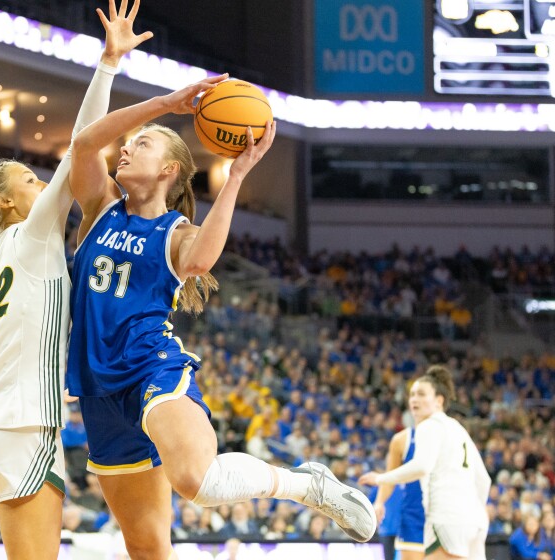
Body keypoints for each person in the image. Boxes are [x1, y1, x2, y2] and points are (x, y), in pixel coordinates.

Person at [66, 69, 375, 560]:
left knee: (195, 479)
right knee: (146, 547)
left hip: (150, 365)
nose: (125, 149)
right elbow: (84, 145)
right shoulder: (100, 205)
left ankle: (303, 484)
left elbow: (202, 261)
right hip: (98, 389)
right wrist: (164, 104)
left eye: (141, 145)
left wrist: (236, 178)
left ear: (169, 170)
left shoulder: (176, 232)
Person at [0, 4, 152, 560]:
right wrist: (107, 66)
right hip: (21, 427)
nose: (44, 184)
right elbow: (84, 143)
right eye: (31, 180)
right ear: (8, 202)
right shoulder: (34, 233)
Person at [360, 365, 490, 560]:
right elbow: (484, 480)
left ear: (439, 400)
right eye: (412, 394)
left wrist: (380, 478)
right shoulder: (457, 428)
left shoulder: (429, 426)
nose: (414, 399)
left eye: (421, 394)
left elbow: (422, 466)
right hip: (470, 520)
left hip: (446, 516)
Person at [373, 426, 426, 560]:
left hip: (427, 519)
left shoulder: (452, 432)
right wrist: (378, 503)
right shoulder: (404, 438)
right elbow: (374, 501)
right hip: (395, 527)